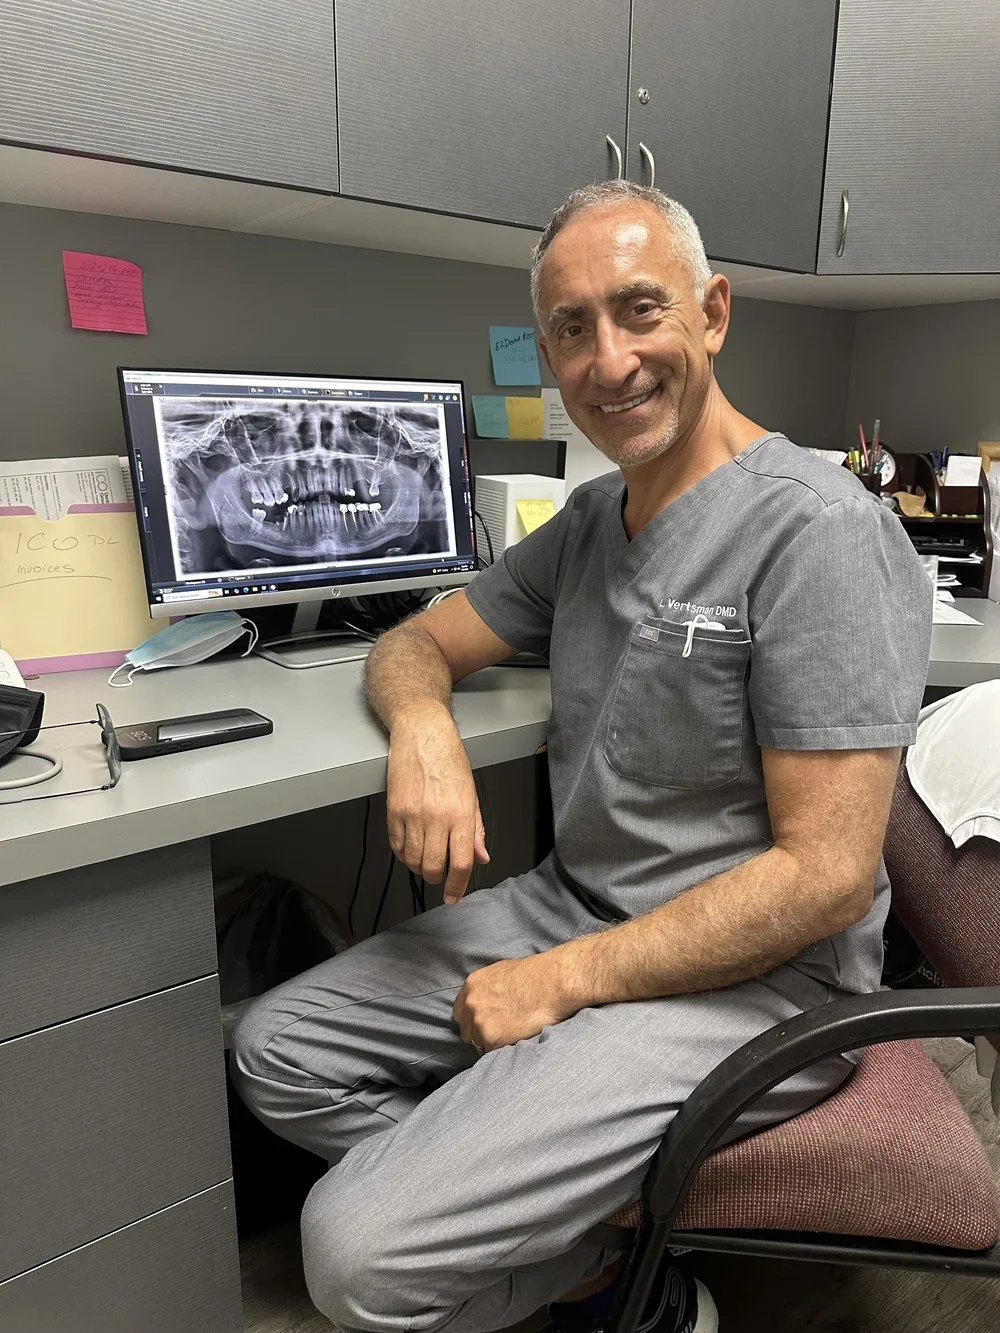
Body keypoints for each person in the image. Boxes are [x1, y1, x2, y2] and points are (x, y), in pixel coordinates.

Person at [232, 180, 932, 1333]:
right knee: (274, 1050)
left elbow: (825, 878)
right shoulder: (593, 522)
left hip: (756, 984)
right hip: (579, 906)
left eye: (640, 310)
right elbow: (416, 640)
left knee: (351, 1255)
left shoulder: (817, 534)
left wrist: (560, 983)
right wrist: (424, 731)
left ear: (711, 313)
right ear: (548, 354)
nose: (609, 361)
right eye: (572, 329)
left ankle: (585, 1268)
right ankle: (589, 1256)